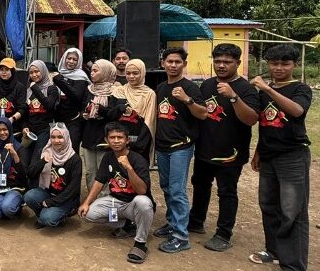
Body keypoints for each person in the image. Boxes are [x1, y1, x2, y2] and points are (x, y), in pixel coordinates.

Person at [248, 44, 311, 271]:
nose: (279, 68)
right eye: (274, 64)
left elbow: (296, 111)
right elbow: (266, 124)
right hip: (269, 155)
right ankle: (274, 250)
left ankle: (295, 269)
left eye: (285, 64)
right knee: (269, 204)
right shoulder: (267, 92)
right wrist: (258, 152)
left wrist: (266, 88)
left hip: (292, 155)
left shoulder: (300, 89)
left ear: (294, 65)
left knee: (293, 211)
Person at [189, 44, 260, 252]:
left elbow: (251, 119)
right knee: (200, 185)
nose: (221, 65)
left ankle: (223, 233)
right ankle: (196, 221)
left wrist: (233, 97)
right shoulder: (207, 85)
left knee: (226, 192)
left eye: (227, 62)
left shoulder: (246, 89)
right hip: (205, 148)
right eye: (218, 61)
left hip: (230, 153)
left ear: (238, 63)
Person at [153, 47, 207, 254]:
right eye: (170, 61)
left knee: (177, 190)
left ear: (184, 64)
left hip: (181, 147)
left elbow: (203, 114)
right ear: (163, 63)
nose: (173, 65)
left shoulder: (190, 88)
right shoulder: (160, 88)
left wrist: (187, 99)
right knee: (167, 187)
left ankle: (181, 236)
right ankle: (172, 223)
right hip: (163, 146)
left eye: (177, 62)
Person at [78, 122, 154, 264]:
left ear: (127, 140)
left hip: (134, 204)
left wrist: (129, 168)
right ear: (106, 140)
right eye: (112, 137)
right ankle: (125, 224)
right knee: (88, 214)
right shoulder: (108, 157)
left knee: (144, 202)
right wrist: (86, 202)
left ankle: (140, 243)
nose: (116, 141)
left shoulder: (138, 159)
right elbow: (99, 181)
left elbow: (142, 190)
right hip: (116, 201)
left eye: (120, 137)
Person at [24, 123, 82, 228]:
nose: (56, 140)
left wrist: (51, 202)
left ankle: (58, 217)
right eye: (53, 137)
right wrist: (43, 161)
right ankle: (42, 216)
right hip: (48, 193)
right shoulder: (45, 151)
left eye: (60, 137)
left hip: (66, 199)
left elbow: (73, 189)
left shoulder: (75, 159)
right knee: (29, 196)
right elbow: (30, 174)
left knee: (48, 218)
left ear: (66, 137)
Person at [81, 59, 119, 192]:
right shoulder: (89, 89)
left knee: (104, 171)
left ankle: (105, 199)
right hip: (89, 135)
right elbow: (82, 107)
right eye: (91, 70)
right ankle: (92, 199)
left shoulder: (115, 91)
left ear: (105, 72)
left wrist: (100, 109)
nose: (92, 73)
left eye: (96, 71)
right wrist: (85, 112)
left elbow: (115, 114)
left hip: (105, 137)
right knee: (90, 171)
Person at [111, 59, 157, 165]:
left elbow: (149, 121)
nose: (131, 76)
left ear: (142, 73)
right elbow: (111, 116)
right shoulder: (119, 91)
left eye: (135, 73)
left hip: (140, 140)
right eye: (128, 73)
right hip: (119, 141)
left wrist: (139, 145)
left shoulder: (149, 94)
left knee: (138, 171)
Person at [0, 117, 28, 221]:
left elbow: (24, 174)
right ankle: (2, 208)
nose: (2, 133)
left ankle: (14, 208)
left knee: (8, 208)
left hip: (15, 187)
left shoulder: (19, 147)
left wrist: (14, 154)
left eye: (5, 129)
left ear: (10, 129)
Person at [24, 60, 59, 184]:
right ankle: (27, 188)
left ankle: (34, 190)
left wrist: (35, 87)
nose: (34, 75)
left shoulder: (52, 89)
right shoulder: (28, 90)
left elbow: (48, 105)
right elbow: (25, 111)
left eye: (37, 71)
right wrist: (24, 127)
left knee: (36, 160)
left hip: (44, 130)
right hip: (30, 131)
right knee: (26, 160)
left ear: (43, 71)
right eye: (31, 72)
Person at [53, 48, 90, 151]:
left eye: (75, 59)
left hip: (73, 120)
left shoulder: (81, 77)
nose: (71, 61)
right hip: (58, 121)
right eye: (69, 58)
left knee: (72, 151)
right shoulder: (59, 74)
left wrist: (60, 81)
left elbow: (76, 96)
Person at [0, 57, 27, 135]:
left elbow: (22, 108)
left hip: (14, 126)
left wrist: (12, 119)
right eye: (1, 69)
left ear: (12, 71)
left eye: (7, 69)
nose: (3, 72)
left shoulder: (19, 87)